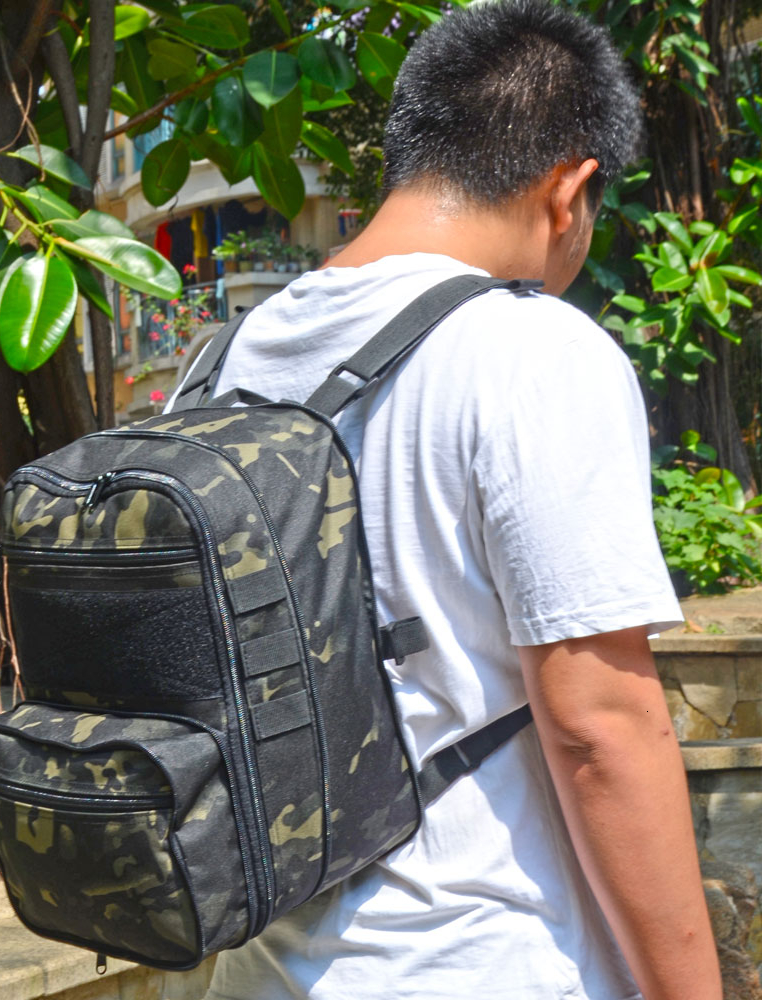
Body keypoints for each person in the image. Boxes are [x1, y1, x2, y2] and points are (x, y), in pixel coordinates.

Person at [197, 1, 723, 998]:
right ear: (570, 190)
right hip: (477, 960)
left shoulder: (232, 356)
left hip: (261, 967)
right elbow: (600, 725)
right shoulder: (532, 350)